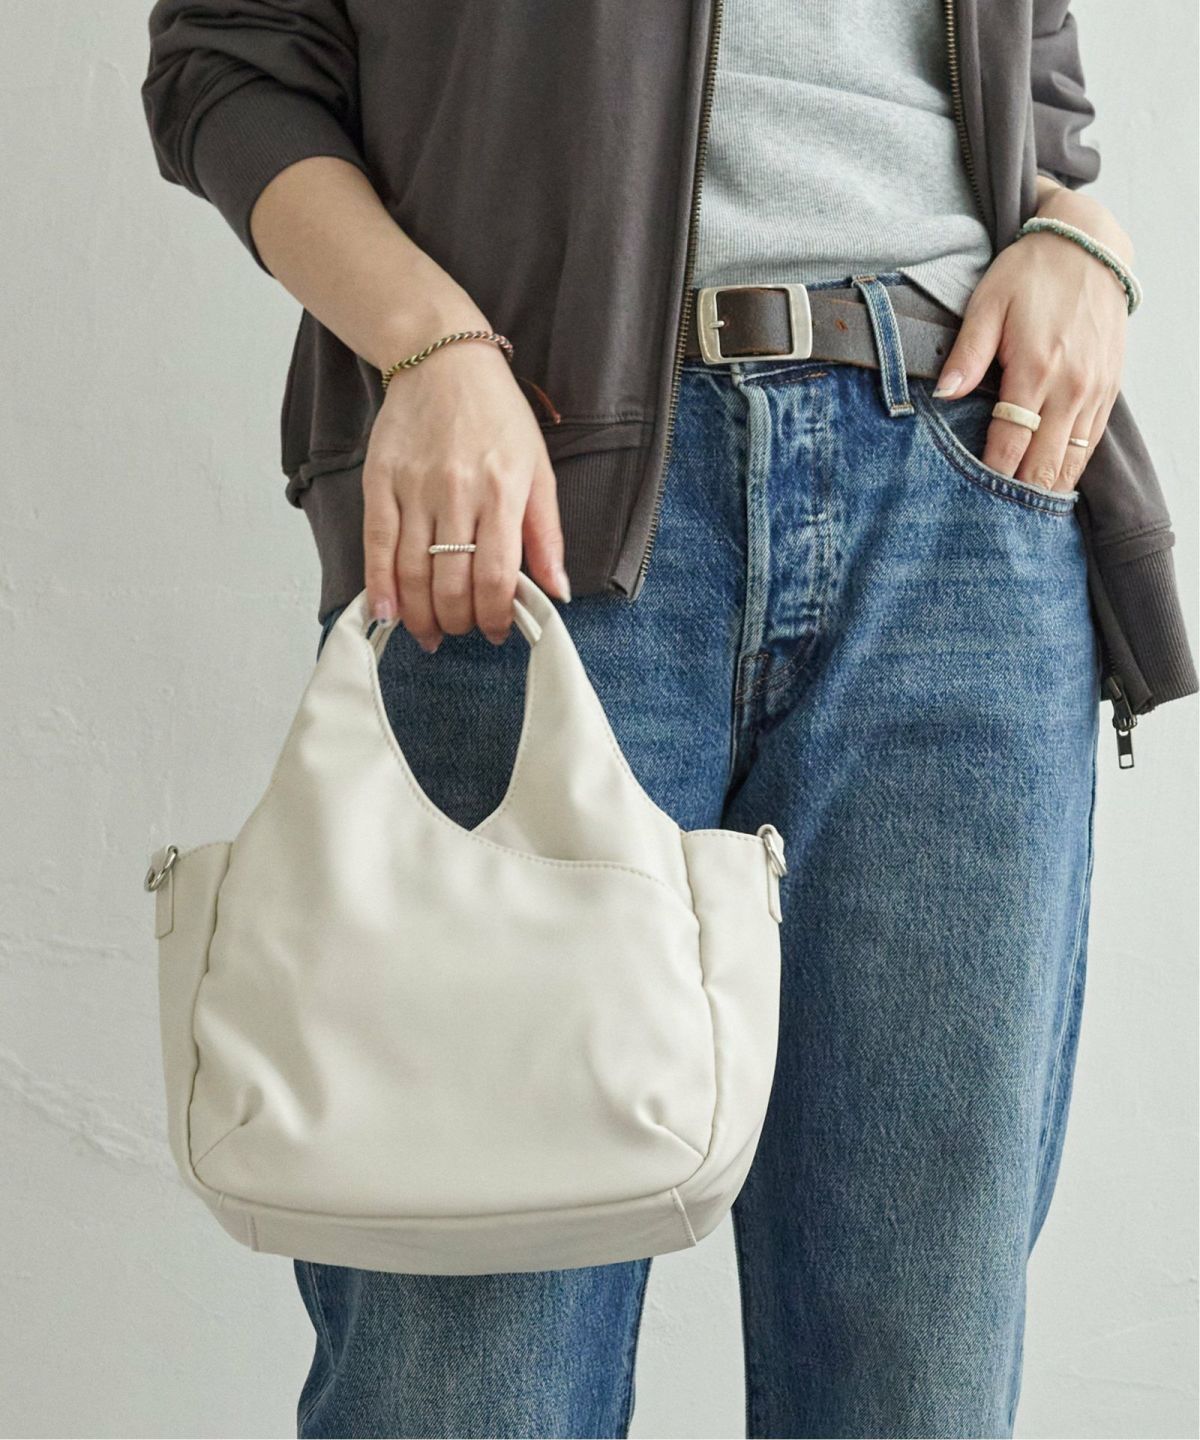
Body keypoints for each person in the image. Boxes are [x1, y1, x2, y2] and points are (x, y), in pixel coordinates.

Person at [141, 3, 1196, 1436]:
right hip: (531, 510)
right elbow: (230, 58)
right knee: (467, 1386)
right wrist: (425, 341)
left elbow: (1031, 88)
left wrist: (1084, 239)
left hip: (965, 495)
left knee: (919, 1386)